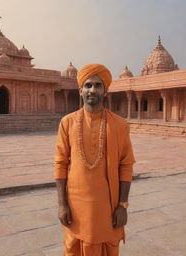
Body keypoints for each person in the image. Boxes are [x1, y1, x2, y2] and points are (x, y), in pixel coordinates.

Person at [54, 63, 135, 256]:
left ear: (105, 91)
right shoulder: (67, 123)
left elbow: (126, 165)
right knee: (75, 247)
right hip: (75, 204)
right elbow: (60, 164)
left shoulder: (119, 125)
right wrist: (62, 204)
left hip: (107, 205)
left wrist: (122, 206)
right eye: (88, 85)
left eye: (98, 86)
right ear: (80, 90)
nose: (92, 90)